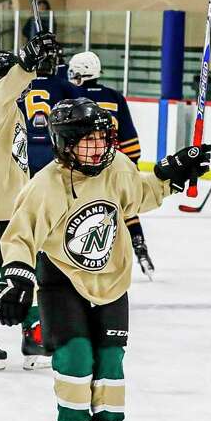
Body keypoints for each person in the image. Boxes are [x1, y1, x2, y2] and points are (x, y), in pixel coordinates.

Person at [0, 97, 210, 421]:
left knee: (110, 361)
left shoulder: (117, 166)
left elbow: (138, 195)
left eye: (102, 138)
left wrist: (170, 175)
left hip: (111, 280)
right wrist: (16, 278)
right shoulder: (47, 186)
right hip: (62, 281)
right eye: (88, 140)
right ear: (64, 144)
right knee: (76, 357)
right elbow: (20, 236)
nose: (99, 148)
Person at [0, 33, 60, 371]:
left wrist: (38, 67)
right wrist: (27, 64)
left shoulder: (13, 111)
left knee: (28, 267)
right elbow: (5, 90)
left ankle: (33, 332)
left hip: (16, 206)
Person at [67, 51, 155, 279]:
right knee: (126, 206)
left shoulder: (72, 95)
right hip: (115, 162)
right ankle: (140, 247)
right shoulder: (114, 96)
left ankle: (87, 256)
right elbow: (129, 137)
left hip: (84, 162)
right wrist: (131, 166)